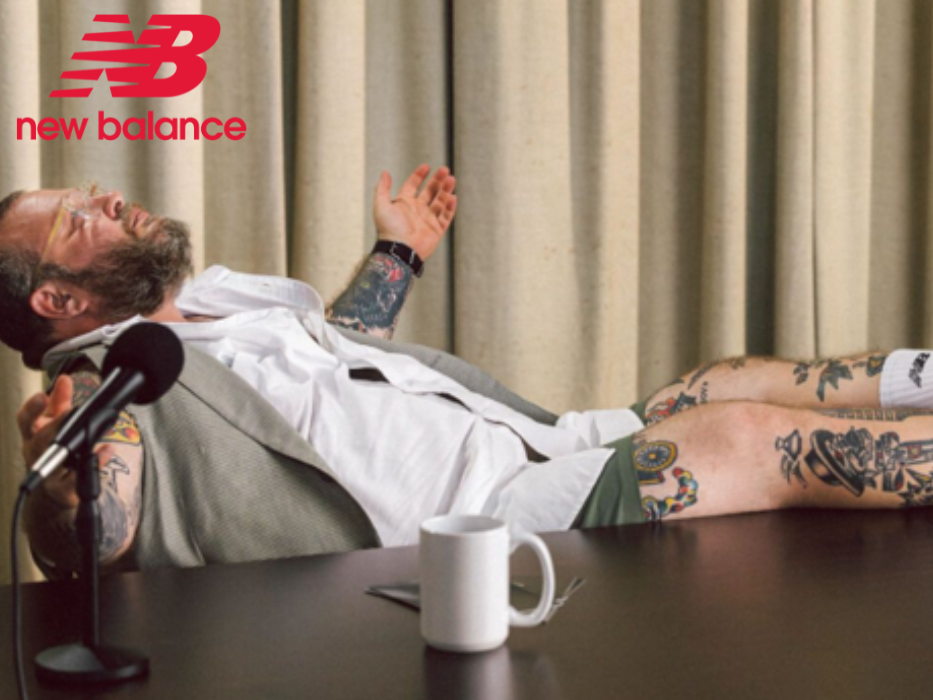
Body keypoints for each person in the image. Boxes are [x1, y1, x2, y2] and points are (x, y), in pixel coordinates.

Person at [2, 167, 933, 579]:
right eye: (79, 217)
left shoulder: (211, 305)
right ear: (56, 298)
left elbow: (338, 358)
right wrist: (67, 491)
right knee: (740, 438)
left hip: (532, 443)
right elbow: (93, 531)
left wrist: (396, 255)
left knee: (713, 385)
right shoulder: (108, 379)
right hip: (476, 526)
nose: (108, 198)